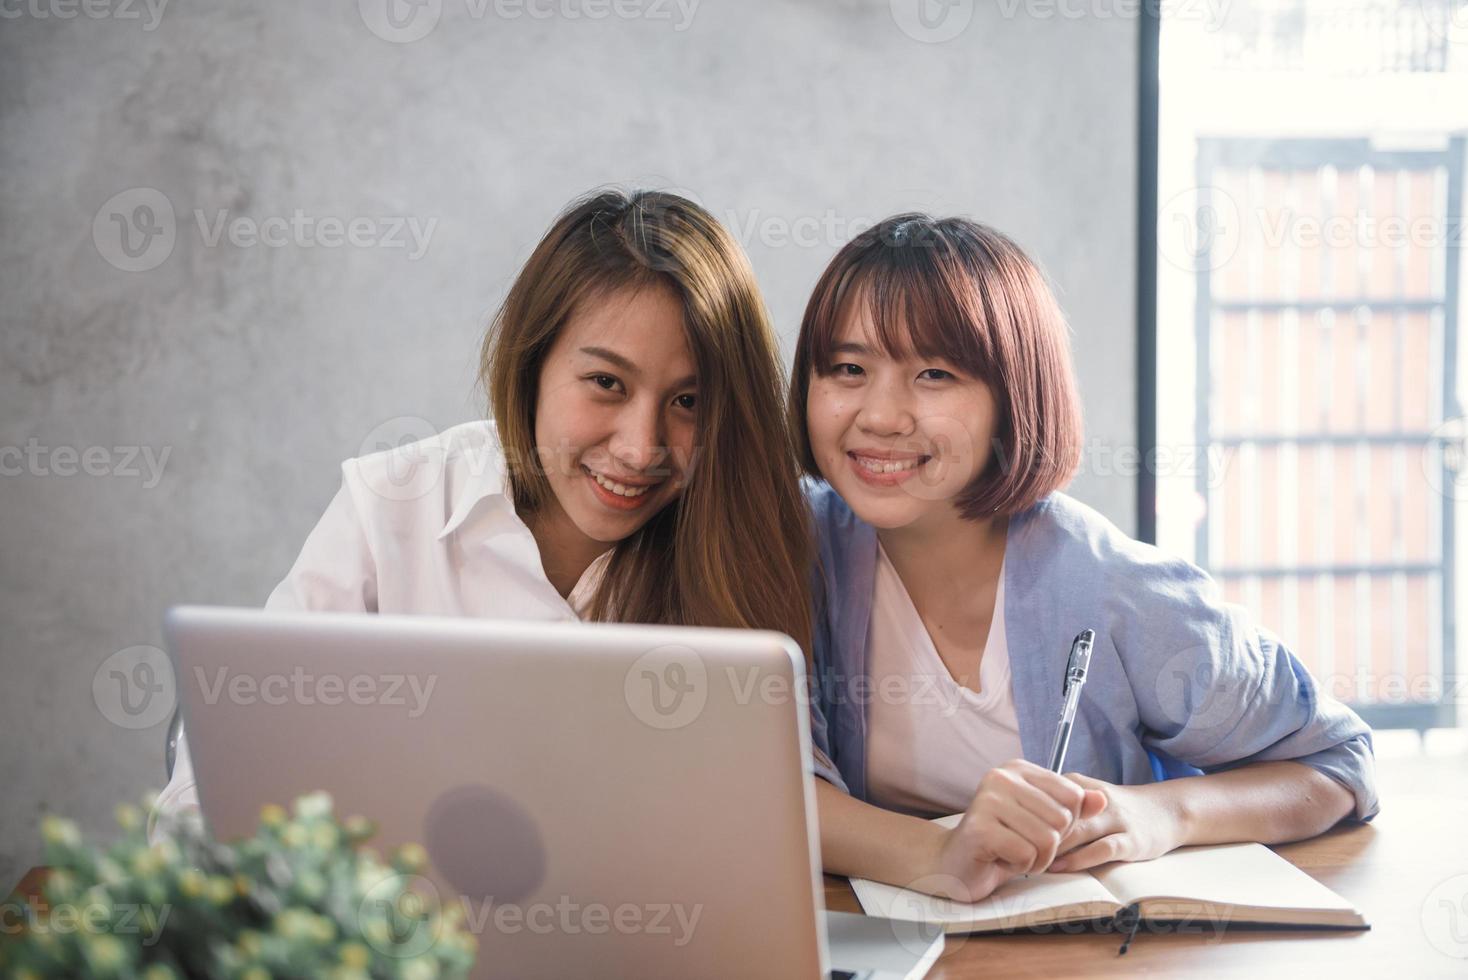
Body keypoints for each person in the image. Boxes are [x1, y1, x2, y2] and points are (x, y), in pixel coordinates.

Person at [152, 189, 813, 831]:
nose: (641, 449)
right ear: (531, 366)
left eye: (688, 403)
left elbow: (748, 820)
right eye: (606, 384)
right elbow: (213, 785)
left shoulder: (736, 546)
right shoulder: (392, 508)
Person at [791, 214, 1378, 901]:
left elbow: (1338, 760)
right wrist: (936, 853)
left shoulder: (1108, 586)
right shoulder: (788, 551)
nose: (882, 416)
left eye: (935, 373)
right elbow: (757, 786)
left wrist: (1164, 815)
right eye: (849, 369)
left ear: (1014, 395)